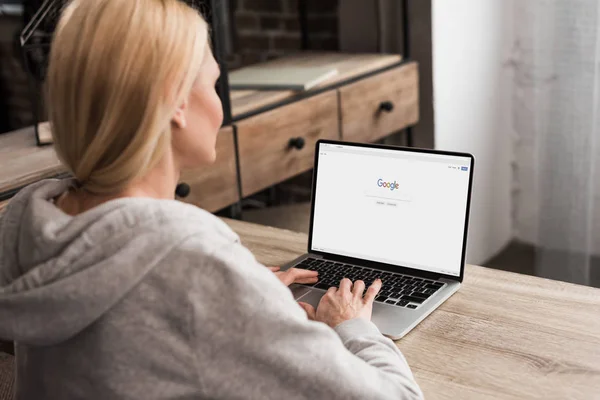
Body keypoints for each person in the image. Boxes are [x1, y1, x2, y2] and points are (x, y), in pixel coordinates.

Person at [0, 0, 424, 399]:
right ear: (177, 102)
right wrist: (353, 327)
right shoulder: (195, 265)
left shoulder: (30, 221)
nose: (220, 103)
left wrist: (244, 299)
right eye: (214, 82)